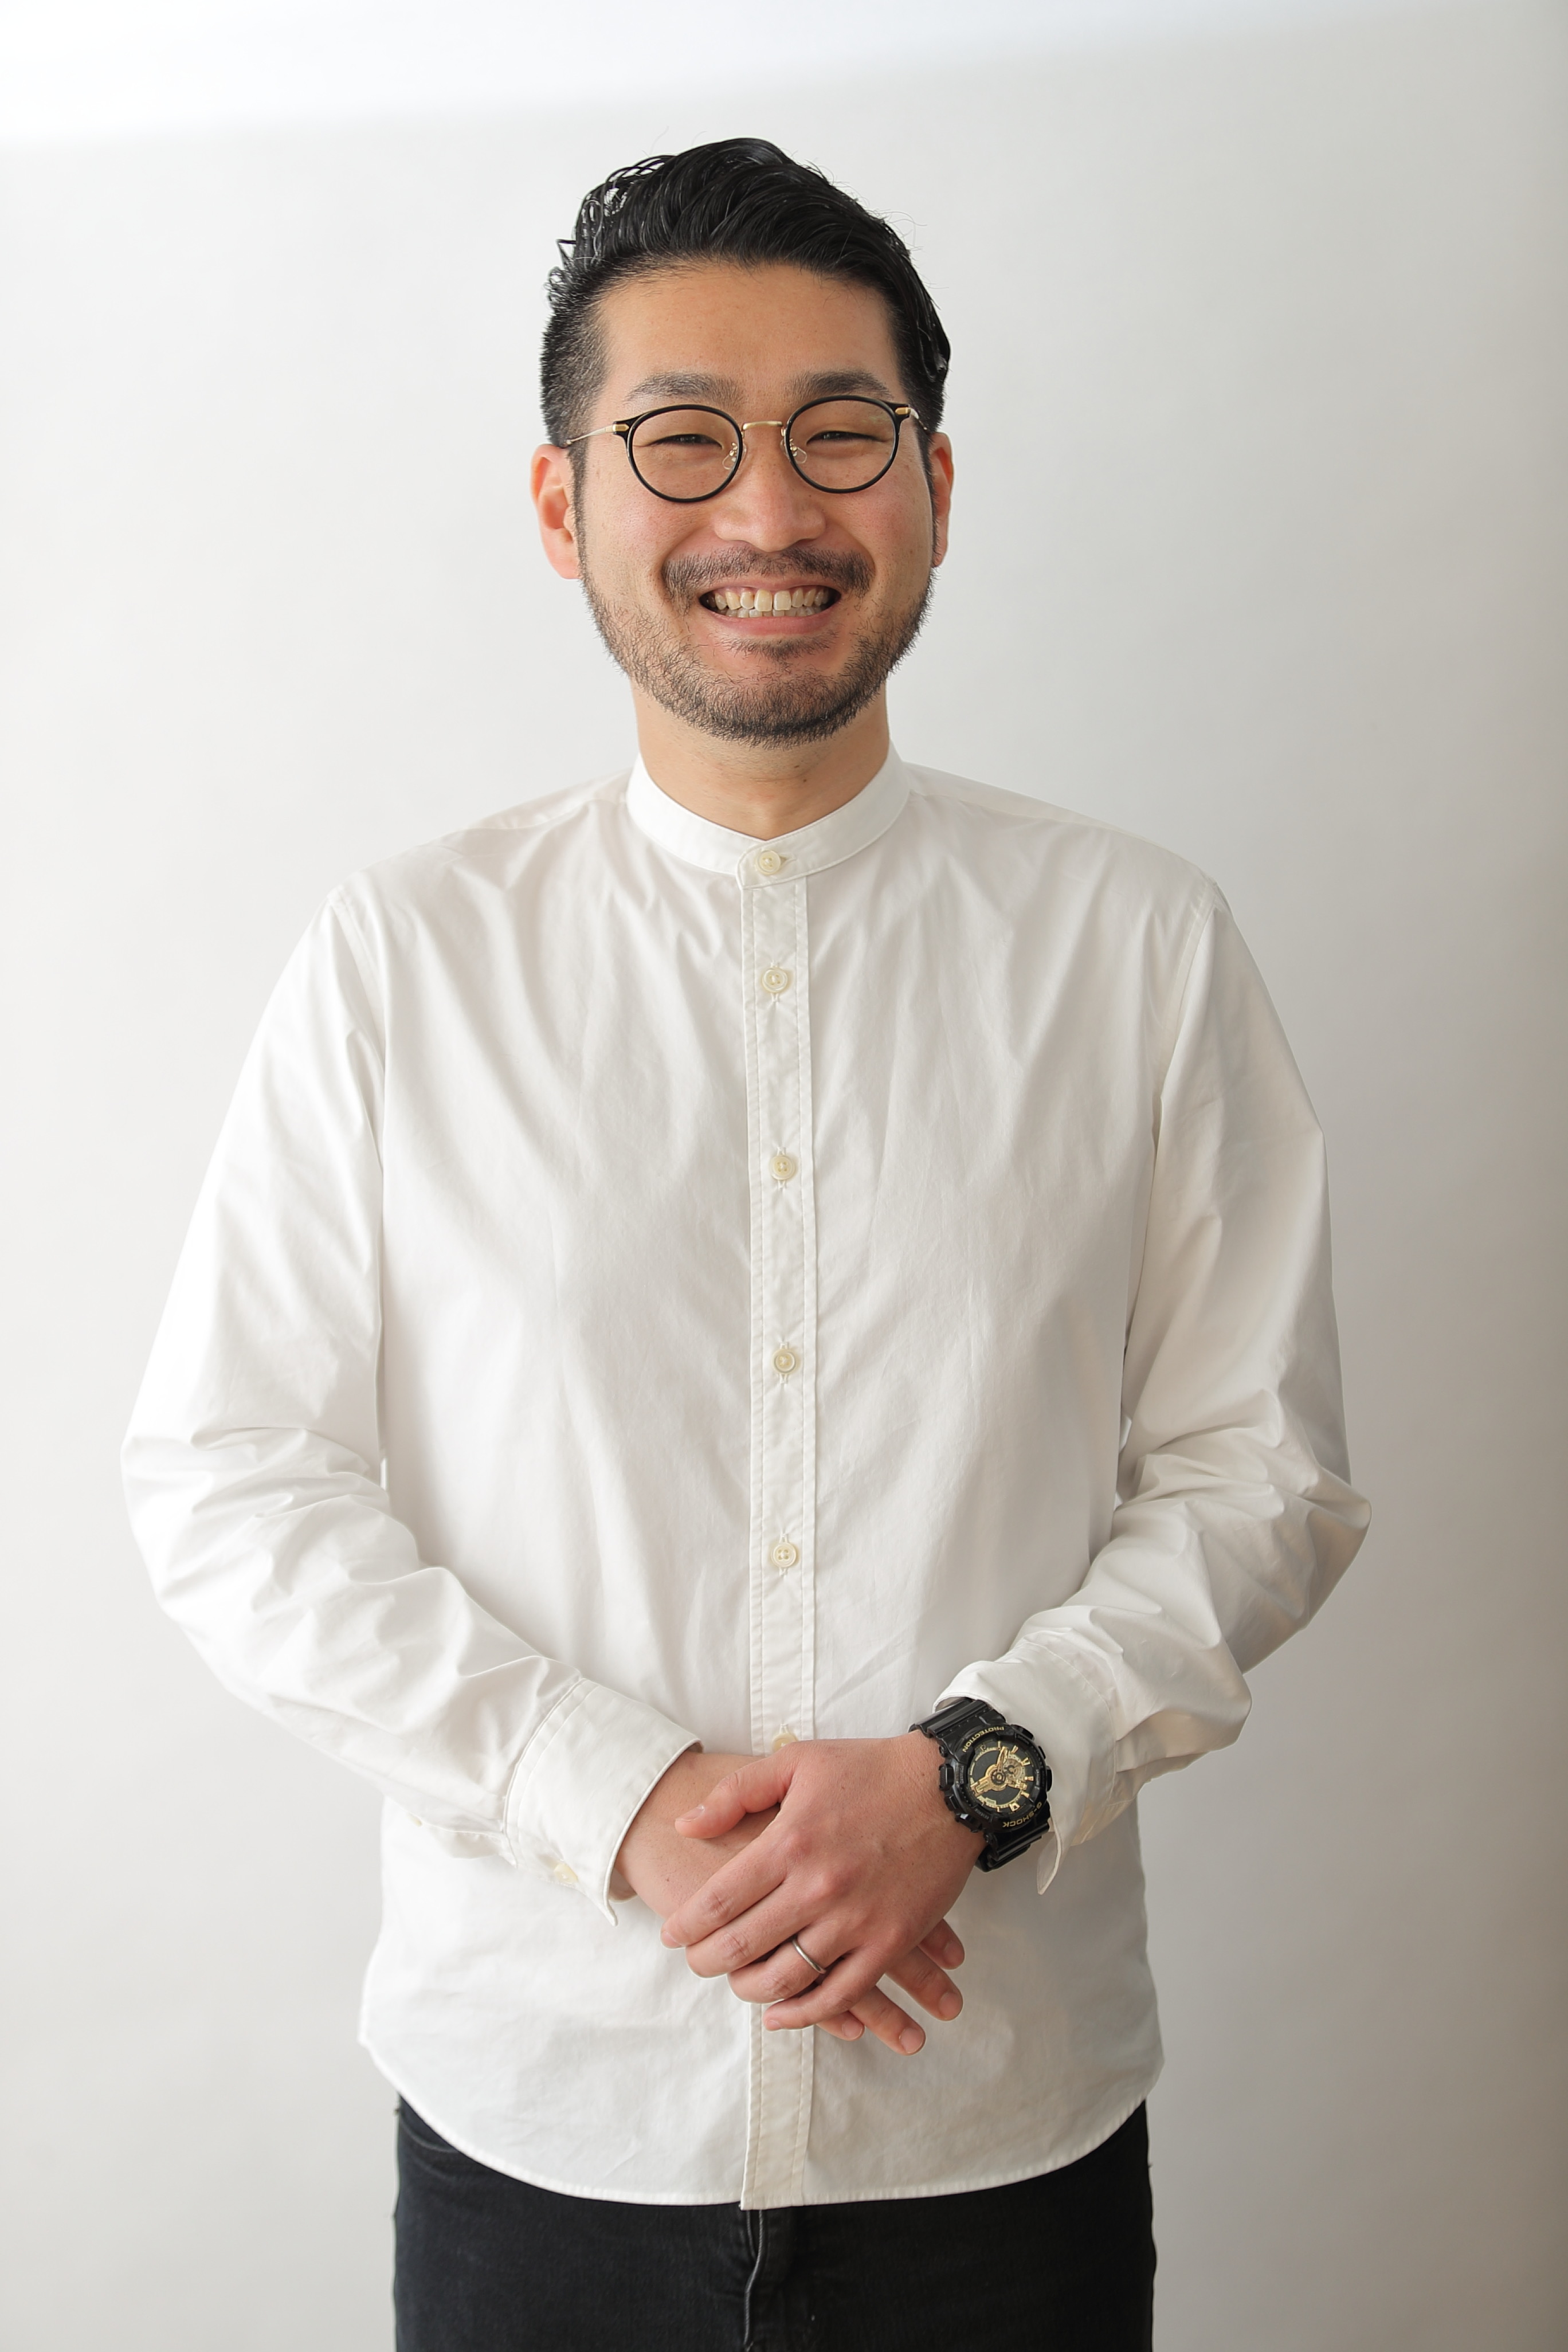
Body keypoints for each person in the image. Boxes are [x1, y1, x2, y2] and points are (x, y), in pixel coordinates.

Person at [123, 137, 1370, 2351]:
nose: (770, 512)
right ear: (564, 505)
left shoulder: (1138, 950)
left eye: (840, 435)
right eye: (682, 438)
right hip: (543, 2122)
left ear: (937, 486)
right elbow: (231, 1481)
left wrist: (980, 1776)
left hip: (999, 2135)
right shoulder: (404, 963)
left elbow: (1259, 1475)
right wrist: (608, 1796)